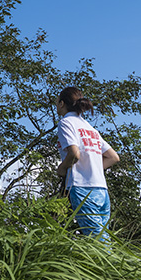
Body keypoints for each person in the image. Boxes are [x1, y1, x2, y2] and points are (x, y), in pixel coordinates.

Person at [55, 86, 120, 242]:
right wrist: (94, 167)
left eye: (56, 102)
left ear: (62, 103)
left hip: (82, 188)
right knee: (103, 237)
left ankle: (111, 267)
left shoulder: (66, 123)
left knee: (97, 241)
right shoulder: (90, 128)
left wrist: (61, 169)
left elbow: (74, 154)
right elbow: (113, 157)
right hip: (101, 189)